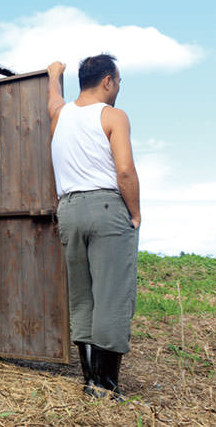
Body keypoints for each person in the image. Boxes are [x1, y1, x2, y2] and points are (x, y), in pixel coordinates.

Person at [47, 55, 140, 399]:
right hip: (106, 207)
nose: (118, 88)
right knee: (112, 296)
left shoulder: (61, 115)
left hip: (68, 209)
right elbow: (125, 170)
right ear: (107, 81)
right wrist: (136, 213)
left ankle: (90, 382)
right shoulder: (113, 116)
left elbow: (54, 101)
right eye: (118, 81)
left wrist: (53, 75)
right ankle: (107, 385)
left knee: (83, 297)